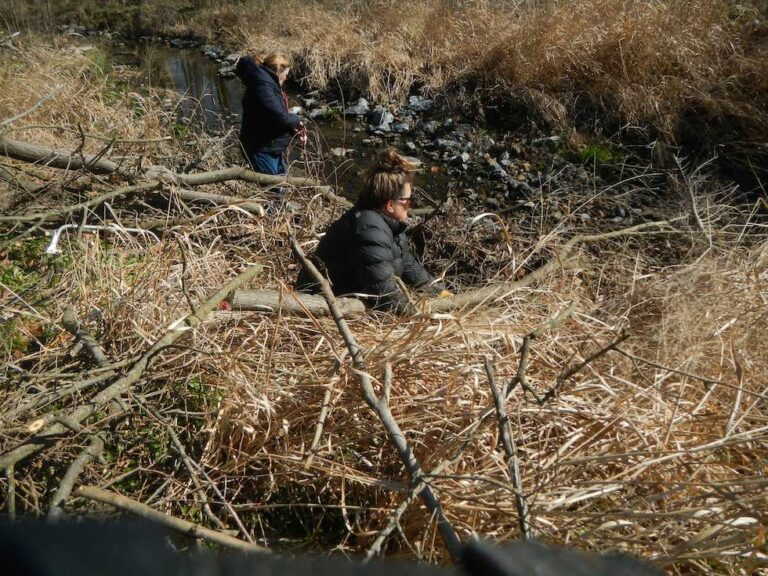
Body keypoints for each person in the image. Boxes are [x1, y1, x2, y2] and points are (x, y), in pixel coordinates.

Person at [296, 148, 447, 314]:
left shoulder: (388, 224)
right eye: (408, 200)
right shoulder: (368, 229)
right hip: (322, 306)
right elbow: (385, 296)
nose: (411, 206)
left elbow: (408, 263)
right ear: (390, 205)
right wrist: (424, 314)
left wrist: (439, 292)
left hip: (348, 297)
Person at [235, 52, 307, 175]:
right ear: (278, 71)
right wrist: (296, 120)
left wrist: (293, 130)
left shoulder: (268, 84)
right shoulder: (262, 88)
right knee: (273, 191)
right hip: (261, 148)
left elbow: (273, 116)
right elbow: (282, 117)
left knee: (280, 187)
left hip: (271, 146)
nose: (285, 78)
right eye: (286, 74)